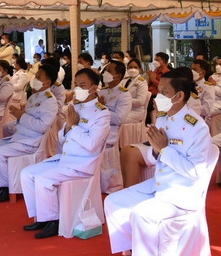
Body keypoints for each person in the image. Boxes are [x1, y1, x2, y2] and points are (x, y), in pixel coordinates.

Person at [104, 70, 212, 256]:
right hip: (161, 184)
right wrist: (156, 150)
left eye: (164, 92)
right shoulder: (163, 118)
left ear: (179, 96)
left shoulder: (197, 127)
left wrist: (163, 149)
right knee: (113, 202)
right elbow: (156, 159)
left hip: (182, 191)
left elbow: (194, 172)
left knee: (142, 213)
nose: (157, 96)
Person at [19, 68, 110, 239]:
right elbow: (61, 138)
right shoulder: (74, 107)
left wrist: (73, 126)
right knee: (26, 173)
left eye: (82, 85)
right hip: (65, 159)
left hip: (82, 164)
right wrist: (68, 126)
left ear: (93, 88)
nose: (77, 89)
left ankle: (53, 221)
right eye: (76, 84)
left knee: (43, 179)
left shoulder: (102, 113)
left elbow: (92, 144)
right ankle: (41, 216)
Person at [0, 64, 60, 203]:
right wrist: (19, 116)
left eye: (38, 77)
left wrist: (22, 116)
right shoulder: (35, 96)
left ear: (47, 83)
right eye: (36, 76)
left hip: (31, 141)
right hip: (20, 136)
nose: (35, 79)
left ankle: (5, 188)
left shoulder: (50, 101)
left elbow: (42, 126)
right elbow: (25, 117)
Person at [99, 59, 132, 193]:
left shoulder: (124, 94)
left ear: (117, 76)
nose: (104, 73)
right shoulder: (103, 91)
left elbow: (119, 118)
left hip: (110, 130)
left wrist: (102, 108)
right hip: (98, 126)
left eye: (109, 71)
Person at [123, 58, 149, 124]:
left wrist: (123, 100)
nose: (133, 69)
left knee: (116, 120)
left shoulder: (142, 82)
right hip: (123, 109)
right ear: (127, 68)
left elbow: (140, 102)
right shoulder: (125, 80)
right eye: (130, 67)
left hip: (135, 111)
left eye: (135, 67)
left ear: (140, 69)